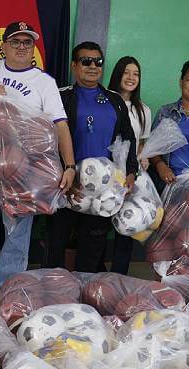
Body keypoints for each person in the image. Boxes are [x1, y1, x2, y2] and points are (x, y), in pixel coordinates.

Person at [0, 21, 75, 308]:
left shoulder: (44, 82)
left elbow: (59, 124)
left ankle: (11, 288)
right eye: (15, 41)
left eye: (27, 42)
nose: (21, 46)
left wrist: (69, 165)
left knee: (17, 232)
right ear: (4, 46)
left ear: (33, 48)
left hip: (24, 172)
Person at [43, 41, 138, 272]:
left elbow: (128, 137)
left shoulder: (115, 100)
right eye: (86, 61)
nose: (93, 66)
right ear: (74, 65)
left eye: (98, 62)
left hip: (103, 189)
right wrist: (64, 175)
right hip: (67, 185)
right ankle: (53, 289)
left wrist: (131, 172)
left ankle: (87, 290)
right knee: (56, 244)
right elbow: (47, 141)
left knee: (93, 248)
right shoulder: (60, 97)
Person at [105, 55, 152, 274]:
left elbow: (141, 142)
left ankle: (119, 275)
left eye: (136, 74)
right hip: (106, 173)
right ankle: (95, 274)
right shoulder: (105, 102)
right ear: (117, 75)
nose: (131, 78)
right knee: (99, 224)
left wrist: (143, 158)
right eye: (126, 72)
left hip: (131, 176)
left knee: (126, 225)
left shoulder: (143, 110)